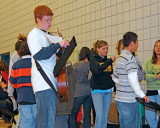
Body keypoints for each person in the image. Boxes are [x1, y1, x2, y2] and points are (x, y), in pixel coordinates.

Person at [27, 5, 69, 128]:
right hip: (43, 85)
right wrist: (58, 44)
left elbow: (58, 52)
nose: (50, 23)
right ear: (37, 19)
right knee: (45, 123)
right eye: (46, 20)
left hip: (50, 85)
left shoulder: (46, 35)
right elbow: (39, 54)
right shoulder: (34, 34)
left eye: (51, 20)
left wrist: (62, 45)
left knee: (47, 122)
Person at [112, 32, 150, 128]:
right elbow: (133, 81)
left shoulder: (120, 58)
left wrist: (123, 84)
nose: (137, 45)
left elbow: (115, 78)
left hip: (119, 99)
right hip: (129, 101)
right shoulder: (130, 58)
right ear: (132, 43)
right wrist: (143, 95)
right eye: (137, 43)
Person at [9, 40, 36, 128]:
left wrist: (18, 87)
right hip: (36, 97)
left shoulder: (16, 65)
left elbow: (12, 81)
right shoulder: (36, 63)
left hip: (23, 98)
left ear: (19, 52)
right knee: (37, 121)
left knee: (26, 123)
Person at [89, 40, 116, 128]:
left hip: (108, 90)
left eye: (107, 48)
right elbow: (97, 70)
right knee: (99, 115)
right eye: (103, 48)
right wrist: (109, 62)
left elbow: (109, 74)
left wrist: (114, 87)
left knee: (105, 116)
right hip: (97, 91)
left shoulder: (108, 61)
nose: (106, 50)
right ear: (98, 49)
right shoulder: (93, 59)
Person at [70, 47, 92, 128]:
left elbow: (72, 78)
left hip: (78, 92)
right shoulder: (91, 65)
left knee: (73, 114)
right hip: (89, 92)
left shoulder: (76, 65)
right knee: (87, 114)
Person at [143, 40, 160, 128]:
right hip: (150, 92)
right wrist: (156, 77)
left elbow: (148, 75)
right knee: (149, 116)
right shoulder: (149, 61)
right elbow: (144, 75)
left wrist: (151, 76)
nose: (158, 48)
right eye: (156, 46)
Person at [55, 60, 76, 128]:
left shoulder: (60, 72)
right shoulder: (71, 71)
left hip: (59, 106)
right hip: (68, 105)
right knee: (64, 123)